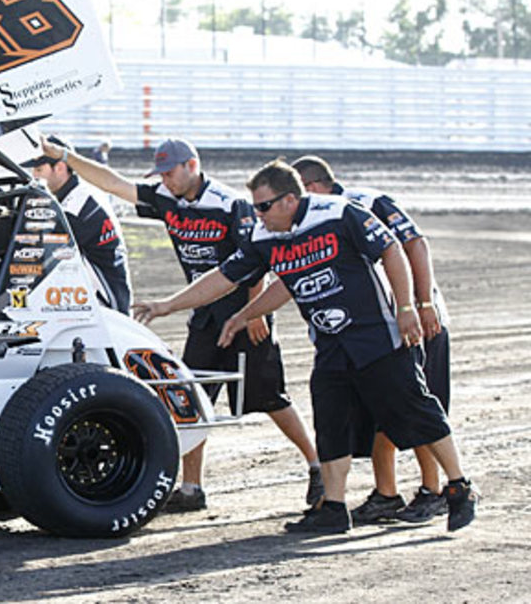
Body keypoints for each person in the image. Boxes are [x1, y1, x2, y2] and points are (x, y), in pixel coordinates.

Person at [134, 159, 478, 533]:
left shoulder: (339, 213)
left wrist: (409, 306)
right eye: (255, 207)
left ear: (290, 200)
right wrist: (177, 307)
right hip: (330, 345)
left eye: (264, 206)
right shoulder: (266, 236)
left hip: (377, 336)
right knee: (330, 422)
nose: (257, 215)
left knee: (414, 408)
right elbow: (228, 277)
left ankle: (458, 487)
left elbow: (393, 249)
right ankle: (334, 508)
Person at [41, 137, 322, 512]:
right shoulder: (167, 198)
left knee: (269, 397)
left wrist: (255, 312)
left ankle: (316, 466)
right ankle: (192, 488)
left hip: (243, 313)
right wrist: (66, 157)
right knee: (190, 397)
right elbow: (113, 183)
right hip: (204, 316)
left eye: (170, 173)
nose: (165, 181)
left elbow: (255, 260)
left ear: (192, 165)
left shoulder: (229, 203)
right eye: (160, 175)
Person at [293, 155, 453, 524]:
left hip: (412, 318)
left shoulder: (365, 201)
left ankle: (433, 490)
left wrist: (421, 303)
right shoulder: (310, 220)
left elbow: (415, 245)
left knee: (412, 404)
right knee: (379, 409)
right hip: (371, 329)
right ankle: (386, 493)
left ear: (310, 188)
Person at [21, 133, 133, 314]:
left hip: (105, 305)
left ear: (60, 167)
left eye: (39, 170)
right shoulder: (76, 194)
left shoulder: (79, 203)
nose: (34, 175)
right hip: (91, 301)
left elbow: (41, 244)